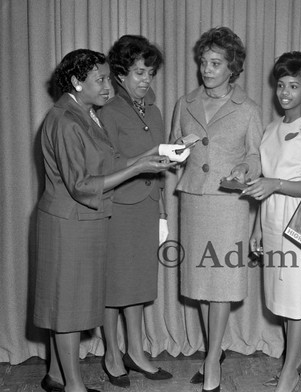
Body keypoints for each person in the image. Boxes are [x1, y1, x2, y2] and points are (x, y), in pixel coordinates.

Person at [33, 49, 172, 392]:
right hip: (70, 222)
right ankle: (74, 386)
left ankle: (55, 376)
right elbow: (82, 185)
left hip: (83, 221)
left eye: (109, 77)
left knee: (72, 302)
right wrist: (137, 168)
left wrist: (145, 156)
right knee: (67, 308)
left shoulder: (84, 113)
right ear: (78, 82)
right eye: (101, 79)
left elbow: (106, 163)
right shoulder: (64, 119)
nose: (109, 85)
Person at [169, 26, 263, 392]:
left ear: (232, 67)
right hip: (194, 198)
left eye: (215, 63)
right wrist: (177, 149)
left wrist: (246, 168)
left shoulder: (248, 109)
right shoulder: (185, 103)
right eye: (203, 62)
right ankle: (215, 350)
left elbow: (256, 156)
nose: (206, 69)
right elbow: (177, 149)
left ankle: (211, 361)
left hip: (228, 204)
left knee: (221, 281)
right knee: (201, 284)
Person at [98, 35, 182, 387]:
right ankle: (112, 353)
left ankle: (136, 349)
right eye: (138, 72)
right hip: (117, 207)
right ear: (119, 74)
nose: (146, 79)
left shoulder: (155, 110)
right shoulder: (106, 111)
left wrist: (163, 205)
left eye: (150, 72)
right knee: (112, 285)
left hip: (147, 207)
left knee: (137, 284)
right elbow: (105, 164)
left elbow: (159, 162)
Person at [243, 51, 301, 392]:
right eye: (281, 85)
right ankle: (295, 360)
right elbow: (263, 183)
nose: (285, 93)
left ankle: (290, 369)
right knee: (279, 297)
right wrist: (257, 227)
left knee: (297, 299)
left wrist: (275, 184)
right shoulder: (271, 129)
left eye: (293, 86)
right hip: (272, 220)